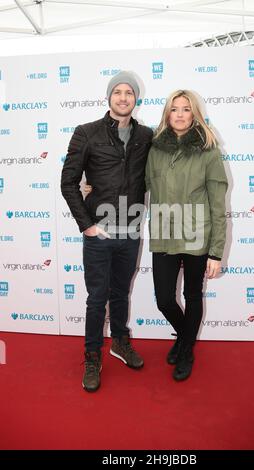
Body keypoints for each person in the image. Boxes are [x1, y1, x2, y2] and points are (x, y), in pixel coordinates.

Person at [61, 71, 153, 392]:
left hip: (130, 231)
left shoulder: (146, 136)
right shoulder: (86, 133)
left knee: (120, 293)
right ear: (109, 97)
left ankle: (120, 343)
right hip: (99, 234)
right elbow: (68, 182)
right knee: (97, 298)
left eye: (130, 92)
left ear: (136, 99)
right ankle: (91, 355)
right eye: (118, 92)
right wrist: (86, 224)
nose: (124, 97)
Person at [145, 89, 228, 381]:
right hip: (164, 234)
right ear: (167, 114)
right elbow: (133, 183)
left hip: (197, 235)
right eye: (174, 109)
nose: (179, 114)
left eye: (185, 109)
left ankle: (186, 349)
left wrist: (216, 252)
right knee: (164, 299)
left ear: (194, 114)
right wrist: (96, 189)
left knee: (192, 295)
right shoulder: (154, 149)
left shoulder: (209, 151)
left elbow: (219, 205)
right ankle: (185, 337)